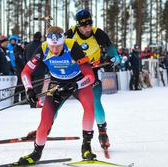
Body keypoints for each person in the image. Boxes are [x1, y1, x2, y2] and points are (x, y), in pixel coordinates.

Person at [17, 26, 96, 165]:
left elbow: (90, 76)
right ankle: (36, 153)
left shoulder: (72, 46)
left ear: (63, 41)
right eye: (52, 46)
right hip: (56, 83)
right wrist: (29, 89)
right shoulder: (42, 49)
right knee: (45, 119)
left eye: (58, 46)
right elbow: (25, 73)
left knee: (90, 108)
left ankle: (86, 146)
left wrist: (76, 85)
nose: (54, 50)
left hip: (77, 81)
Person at [64, 9, 121, 158]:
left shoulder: (98, 33)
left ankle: (102, 132)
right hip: (73, 74)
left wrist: (114, 59)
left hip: (91, 72)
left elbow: (113, 52)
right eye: (84, 25)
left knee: (95, 102)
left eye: (89, 23)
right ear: (78, 25)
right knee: (56, 101)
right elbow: (58, 51)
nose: (88, 28)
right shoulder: (71, 33)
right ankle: (44, 129)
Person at [24, 32, 47, 108]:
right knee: (38, 88)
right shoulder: (42, 45)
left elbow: (25, 57)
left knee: (30, 86)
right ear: (40, 37)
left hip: (29, 68)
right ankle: (35, 103)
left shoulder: (27, 46)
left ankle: (31, 101)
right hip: (39, 69)